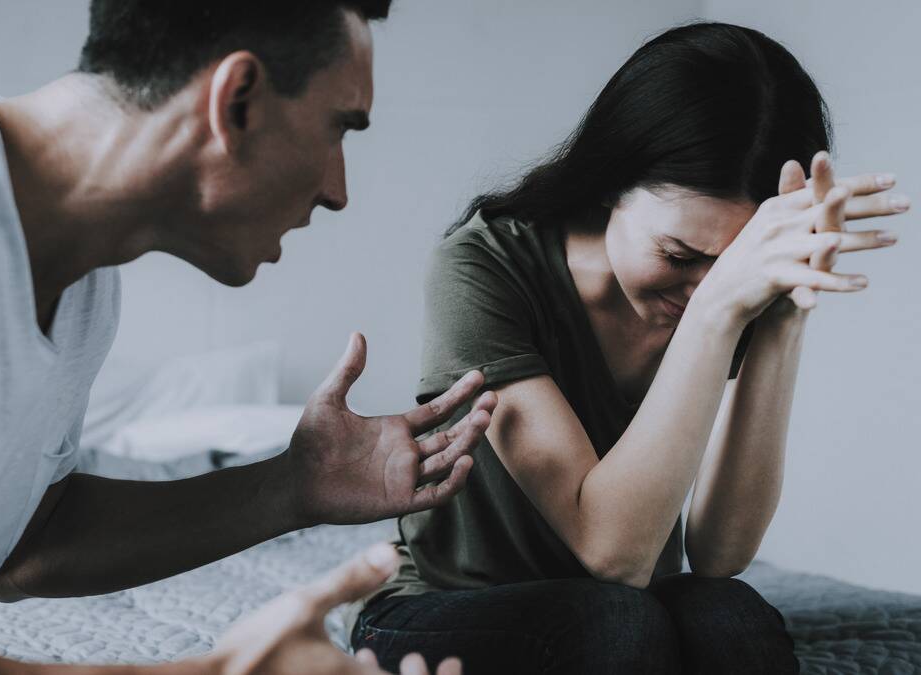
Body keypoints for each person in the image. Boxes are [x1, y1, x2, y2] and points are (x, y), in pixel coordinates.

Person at [0, 2, 495, 674]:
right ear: (240, 100)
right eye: (339, 130)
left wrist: (295, 485)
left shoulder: (84, 286)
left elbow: (24, 548)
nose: (338, 189)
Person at [350, 21, 909, 674]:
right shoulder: (483, 268)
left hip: (621, 606)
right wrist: (718, 310)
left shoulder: (734, 289)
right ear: (610, 181)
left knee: (730, 612)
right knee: (616, 620)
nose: (704, 286)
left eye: (732, 265)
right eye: (678, 254)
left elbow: (720, 550)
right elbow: (612, 553)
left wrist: (783, 313)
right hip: (448, 605)